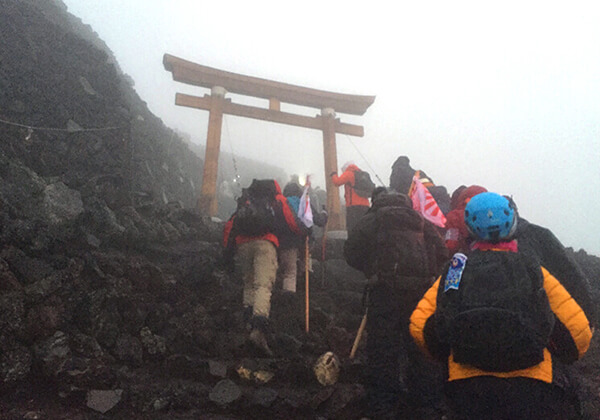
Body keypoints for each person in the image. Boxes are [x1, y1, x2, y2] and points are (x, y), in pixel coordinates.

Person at [410, 192, 593, 420]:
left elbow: (420, 325)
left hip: (466, 390)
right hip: (534, 388)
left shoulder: (457, 269)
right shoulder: (532, 268)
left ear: (469, 227)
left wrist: (444, 354)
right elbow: (578, 335)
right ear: (512, 223)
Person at [344, 187, 448, 419]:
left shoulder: (373, 219)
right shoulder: (419, 220)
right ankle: (425, 405)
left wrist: (371, 268)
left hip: (384, 292)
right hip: (420, 293)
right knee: (420, 347)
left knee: (383, 350)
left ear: (376, 200)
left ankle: (383, 407)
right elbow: (442, 253)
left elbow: (350, 252)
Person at [223, 179, 304, 355]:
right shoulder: (277, 200)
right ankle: (258, 331)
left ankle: (247, 324)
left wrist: (227, 254)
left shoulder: (246, 201)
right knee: (263, 285)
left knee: (249, 284)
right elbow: (291, 222)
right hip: (266, 243)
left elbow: (231, 225)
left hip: (243, 244)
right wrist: (305, 232)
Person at [444, 185, 488, 253]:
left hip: (464, 257)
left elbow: (452, 243)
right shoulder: (490, 214)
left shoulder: (455, 216)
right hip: (489, 254)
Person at [330, 161, 370, 231]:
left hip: (353, 206)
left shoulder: (349, 173)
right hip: (365, 206)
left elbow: (337, 182)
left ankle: (354, 241)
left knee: (352, 228)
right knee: (364, 228)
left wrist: (334, 174)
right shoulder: (363, 174)